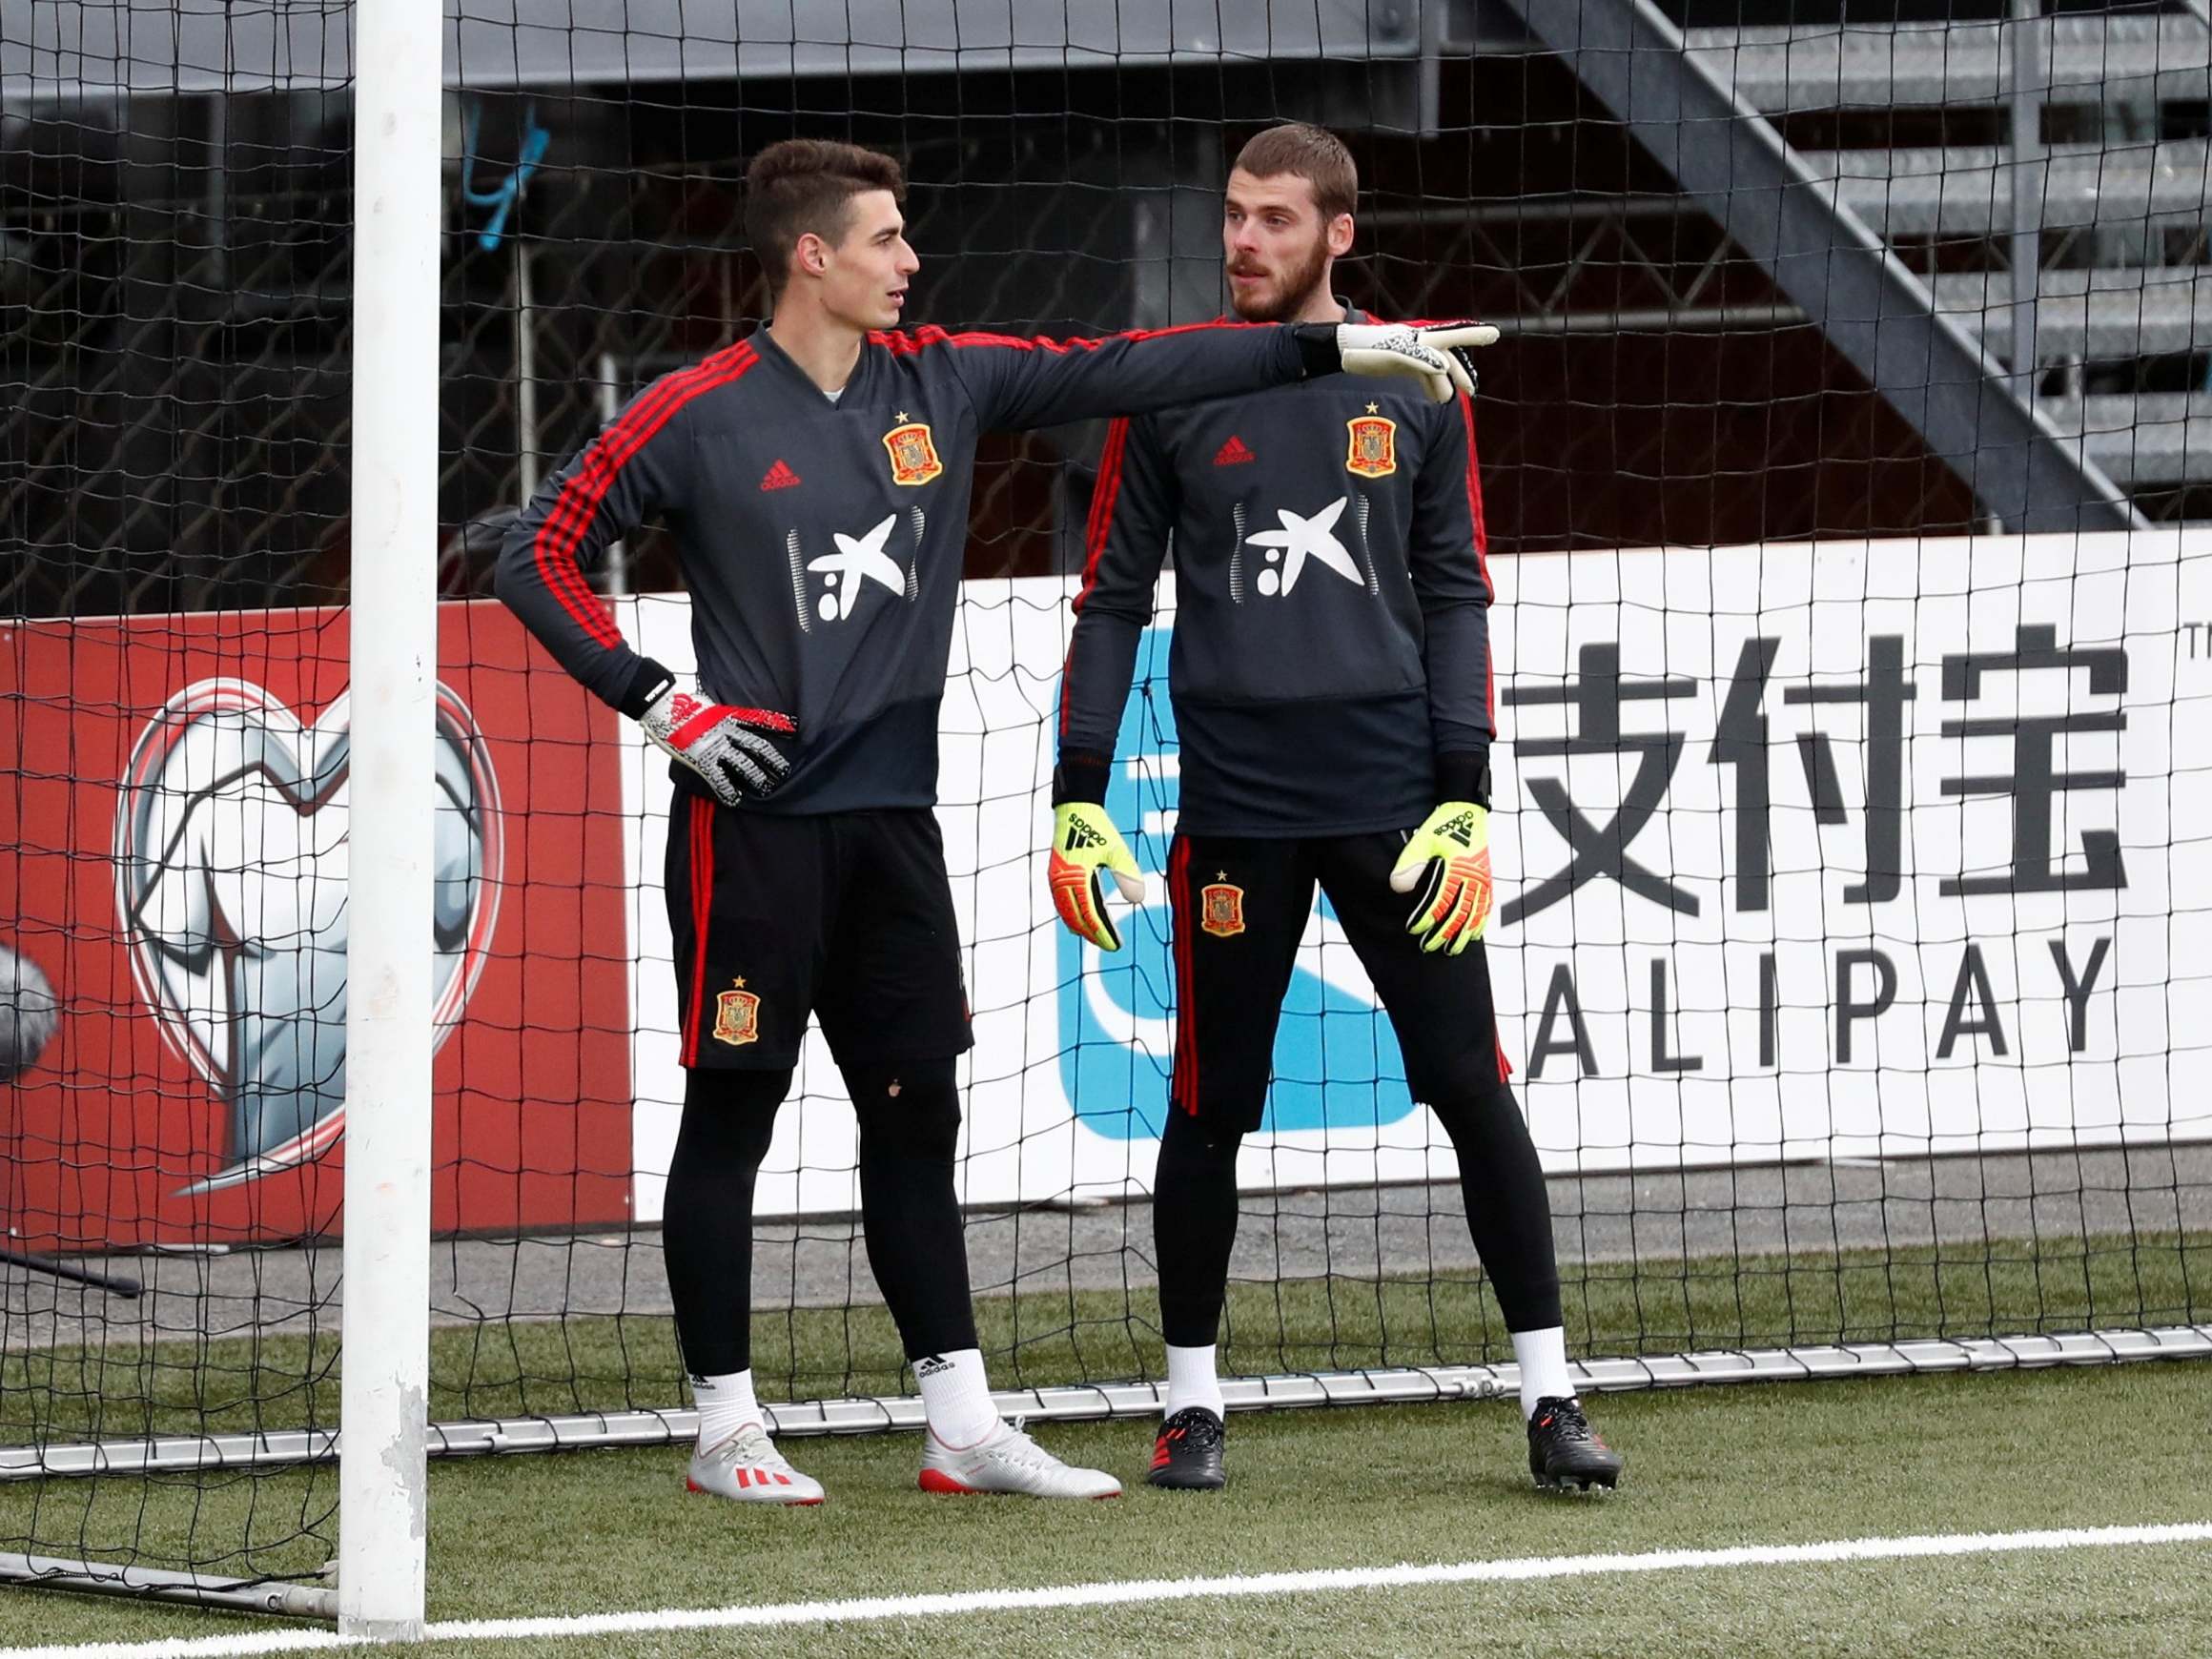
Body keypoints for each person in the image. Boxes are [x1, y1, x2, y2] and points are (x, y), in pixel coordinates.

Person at [495, 137, 1492, 1505]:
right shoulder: (700, 410)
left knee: (918, 1113)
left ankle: (959, 1424)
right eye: (887, 240)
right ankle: (725, 1428)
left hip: (895, 827)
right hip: (757, 832)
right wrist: (662, 702)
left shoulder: (947, 380)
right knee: (733, 1113)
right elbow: (532, 552)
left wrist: (1342, 357)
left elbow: (1129, 370)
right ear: (812, 256)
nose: (910, 262)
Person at [1049, 123, 1624, 1495]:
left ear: (1337, 236)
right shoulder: (1171, 386)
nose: (1244, 239)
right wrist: (1077, 790)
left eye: (1274, 220)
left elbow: (1455, 590)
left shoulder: (1420, 384)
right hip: (1236, 811)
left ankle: (1552, 1400)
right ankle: (1191, 1405)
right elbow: (1113, 596)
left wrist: (1467, 794)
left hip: (1396, 809)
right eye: (1234, 215)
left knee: (1474, 1091)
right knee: (1207, 1103)